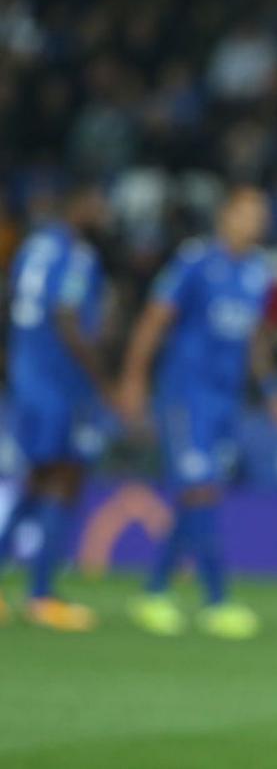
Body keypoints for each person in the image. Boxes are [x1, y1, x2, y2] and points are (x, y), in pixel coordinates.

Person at [118, 186, 277, 640]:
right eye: (248, 213)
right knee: (200, 489)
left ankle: (154, 590)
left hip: (225, 399)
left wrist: (274, 389)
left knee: (198, 491)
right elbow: (154, 320)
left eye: (262, 215)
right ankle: (216, 599)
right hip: (184, 395)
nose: (256, 223)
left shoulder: (257, 273)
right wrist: (134, 380)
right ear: (226, 216)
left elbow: (254, 338)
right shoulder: (195, 262)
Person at [0, 184, 111, 631]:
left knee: (39, 479)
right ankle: (42, 594)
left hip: (29, 376)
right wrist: (102, 380)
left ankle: (35, 588)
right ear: (79, 204)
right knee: (66, 478)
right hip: (60, 383)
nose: (103, 210)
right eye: (98, 201)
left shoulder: (32, 247)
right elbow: (66, 317)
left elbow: (13, 305)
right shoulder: (76, 255)